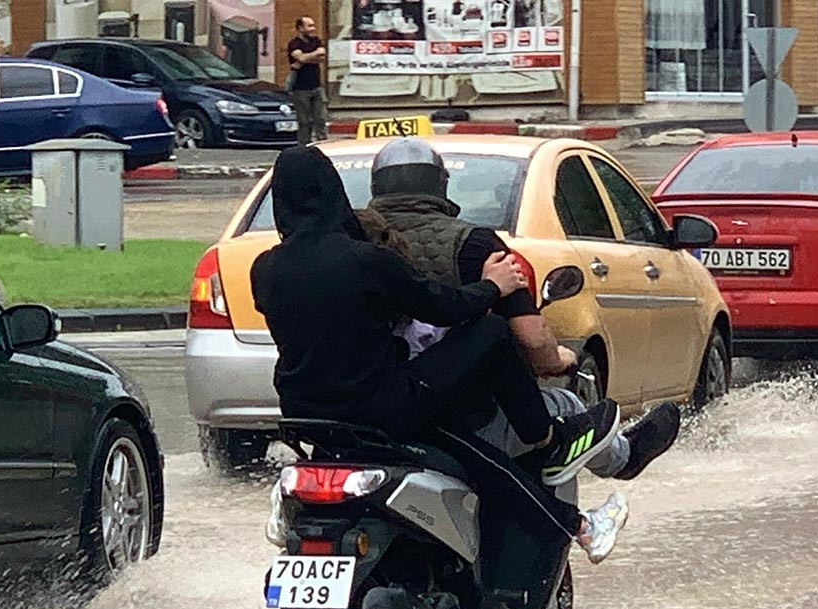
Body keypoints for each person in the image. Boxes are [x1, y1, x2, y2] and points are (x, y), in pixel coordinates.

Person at [252, 146, 629, 563]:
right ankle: (549, 440)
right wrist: (494, 286)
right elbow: (442, 307)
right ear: (333, 193)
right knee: (490, 335)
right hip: (381, 409)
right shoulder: (367, 262)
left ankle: (578, 524)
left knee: (472, 455)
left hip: (307, 416)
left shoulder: (265, 269)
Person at [364, 138, 682, 481]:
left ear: (376, 187)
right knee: (567, 406)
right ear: (440, 186)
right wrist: (557, 359)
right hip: (464, 419)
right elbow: (531, 339)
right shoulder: (477, 247)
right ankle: (623, 460)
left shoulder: (351, 245)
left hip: (364, 419)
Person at [287, 16, 328, 145]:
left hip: (316, 86)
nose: (313, 29)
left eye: (313, 25)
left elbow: (321, 55)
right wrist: (309, 57)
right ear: (300, 28)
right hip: (300, 88)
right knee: (305, 121)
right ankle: (305, 145)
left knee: (320, 118)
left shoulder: (316, 40)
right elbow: (301, 58)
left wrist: (304, 58)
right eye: (309, 26)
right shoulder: (294, 43)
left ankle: (323, 144)